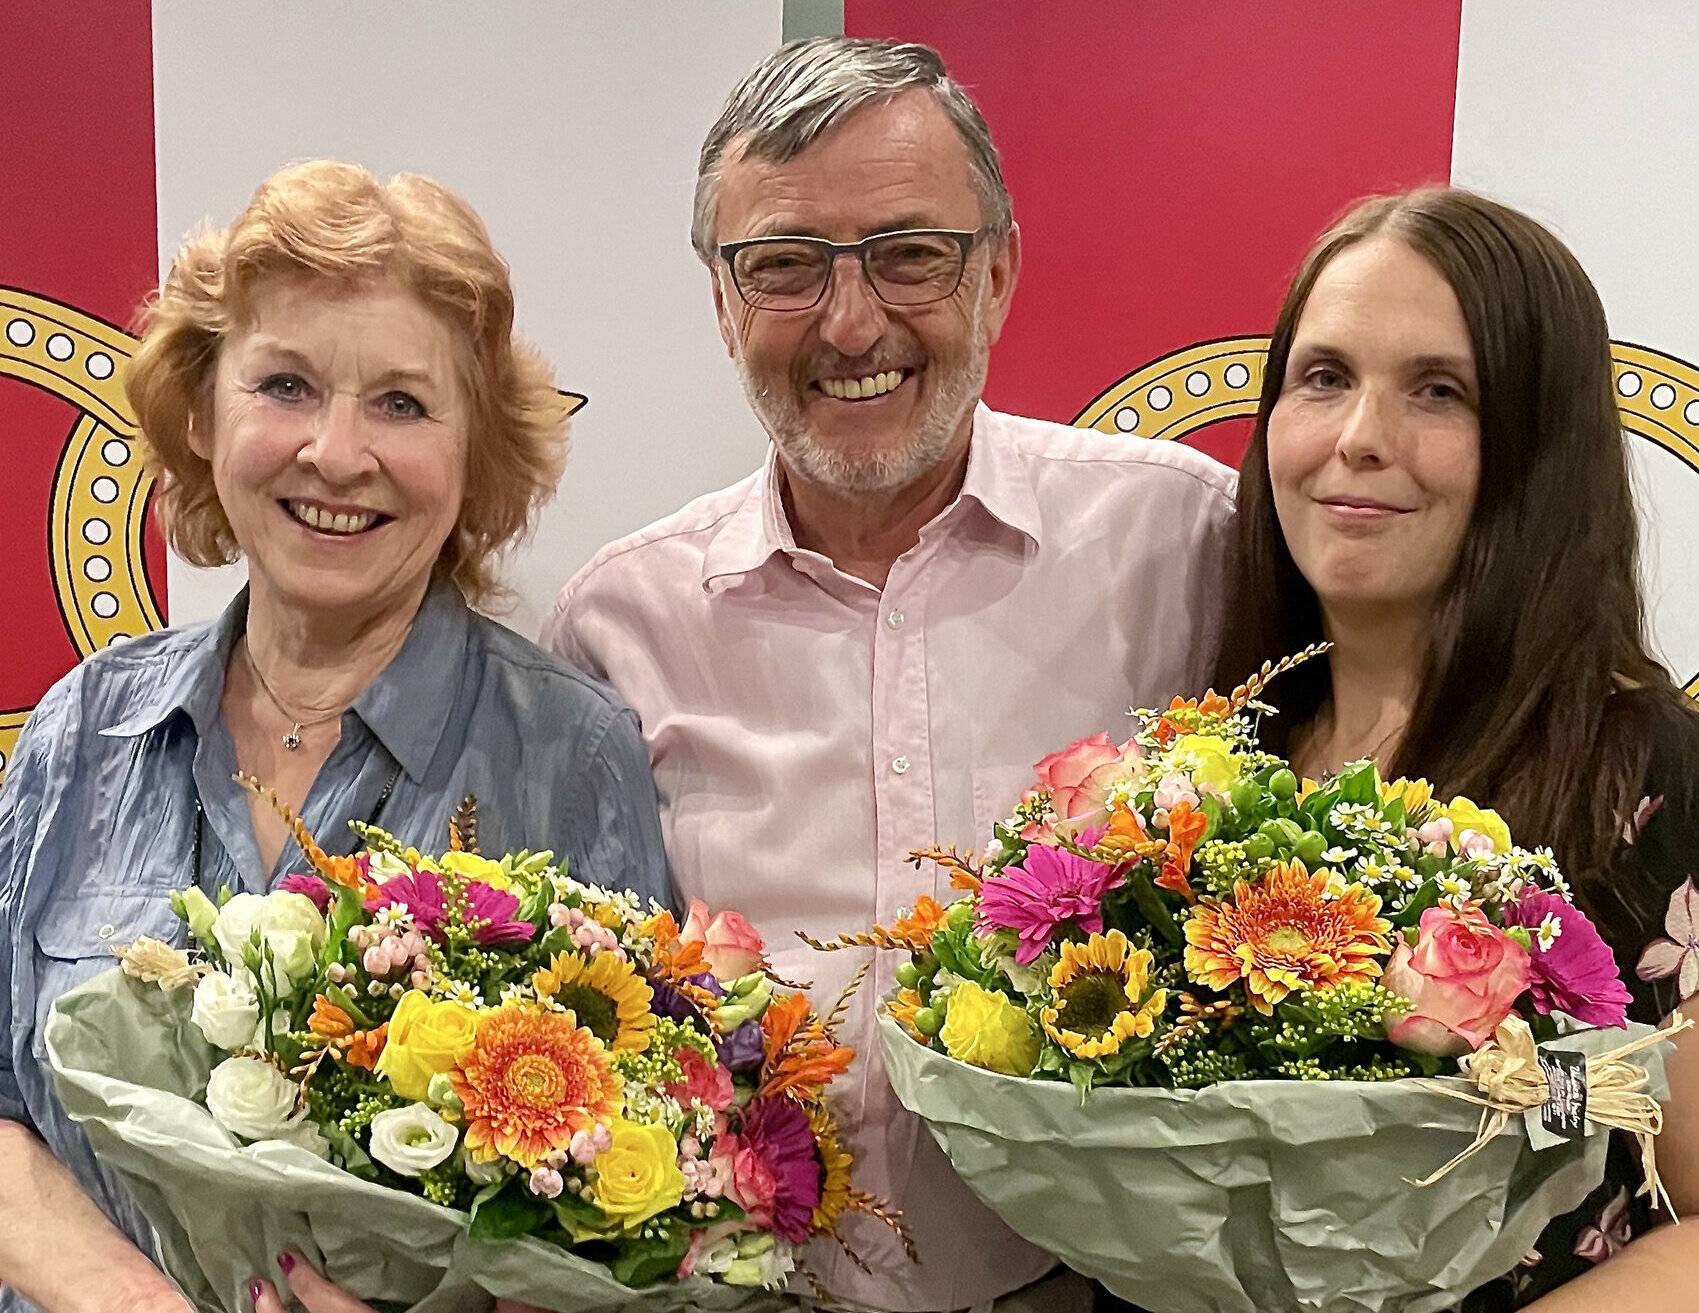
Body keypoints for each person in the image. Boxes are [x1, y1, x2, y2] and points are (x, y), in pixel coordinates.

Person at [544, 37, 1235, 1312]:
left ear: (998, 271)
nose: (851, 322)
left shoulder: (1189, 546)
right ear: (720, 300)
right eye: (785, 267)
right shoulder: (616, 623)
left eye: (910, 254)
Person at [0, 161, 672, 1313]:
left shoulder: (572, 754)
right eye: (288, 385)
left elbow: (626, 1195)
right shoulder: (81, 727)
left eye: (402, 404)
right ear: (204, 415)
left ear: (476, 453)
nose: (338, 454)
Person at [1212, 186, 1699, 1310]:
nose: (1358, 438)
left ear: (1540, 445)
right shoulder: (1210, 770)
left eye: (1439, 391)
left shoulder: (1649, 777)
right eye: (1322, 376)